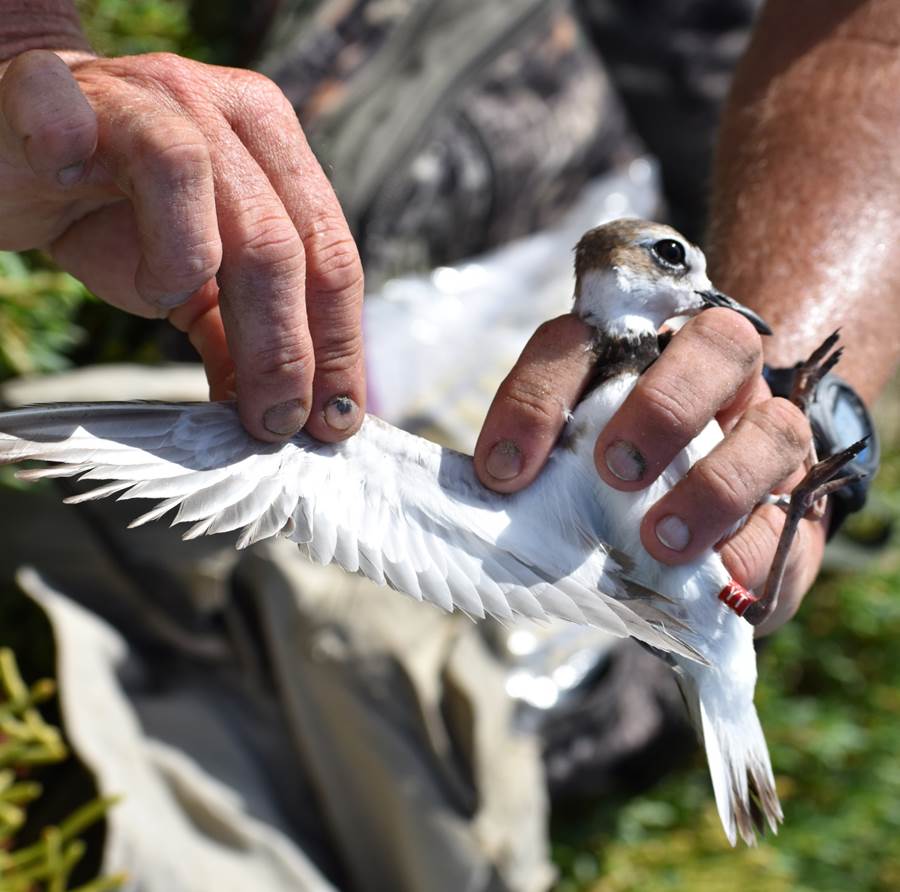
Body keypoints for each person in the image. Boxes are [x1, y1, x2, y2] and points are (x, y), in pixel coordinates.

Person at [0, 1, 898, 889]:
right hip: (655, 621)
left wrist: (803, 417)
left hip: (688, 611)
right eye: (675, 265)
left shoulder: (685, 336)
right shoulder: (613, 356)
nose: (706, 291)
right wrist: (28, 60)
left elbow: (873, 37)